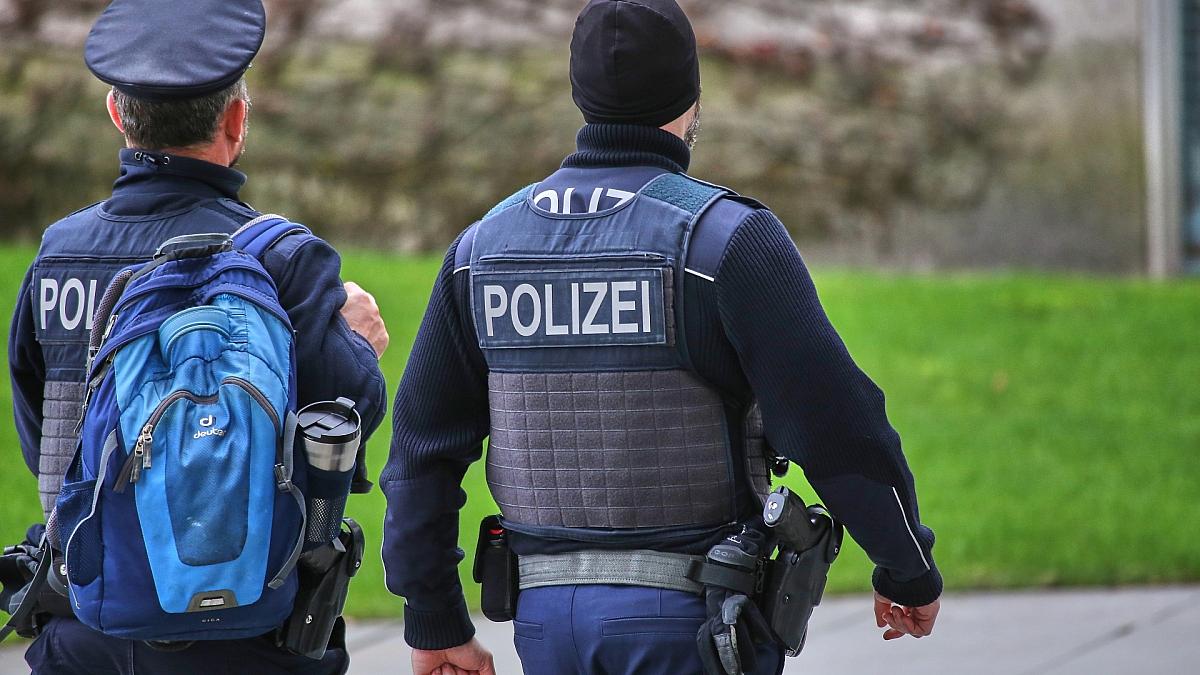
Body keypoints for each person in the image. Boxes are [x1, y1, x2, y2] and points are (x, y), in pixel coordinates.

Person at [382, 1, 941, 673]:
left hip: (547, 625)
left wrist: (435, 619)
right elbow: (837, 428)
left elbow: (420, 452)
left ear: (580, 93)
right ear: (690, 100)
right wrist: (907, 567)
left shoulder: (481, 250)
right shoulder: (725, 241)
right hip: (694, 622)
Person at [8, 1, 389, 672]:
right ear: (237, 121)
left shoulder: (58, 254)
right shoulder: (284, 259)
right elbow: (340, 428)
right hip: (243, 635)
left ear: (117, 115)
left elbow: (46, 439)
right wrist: (361, 344)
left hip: (85, 627)